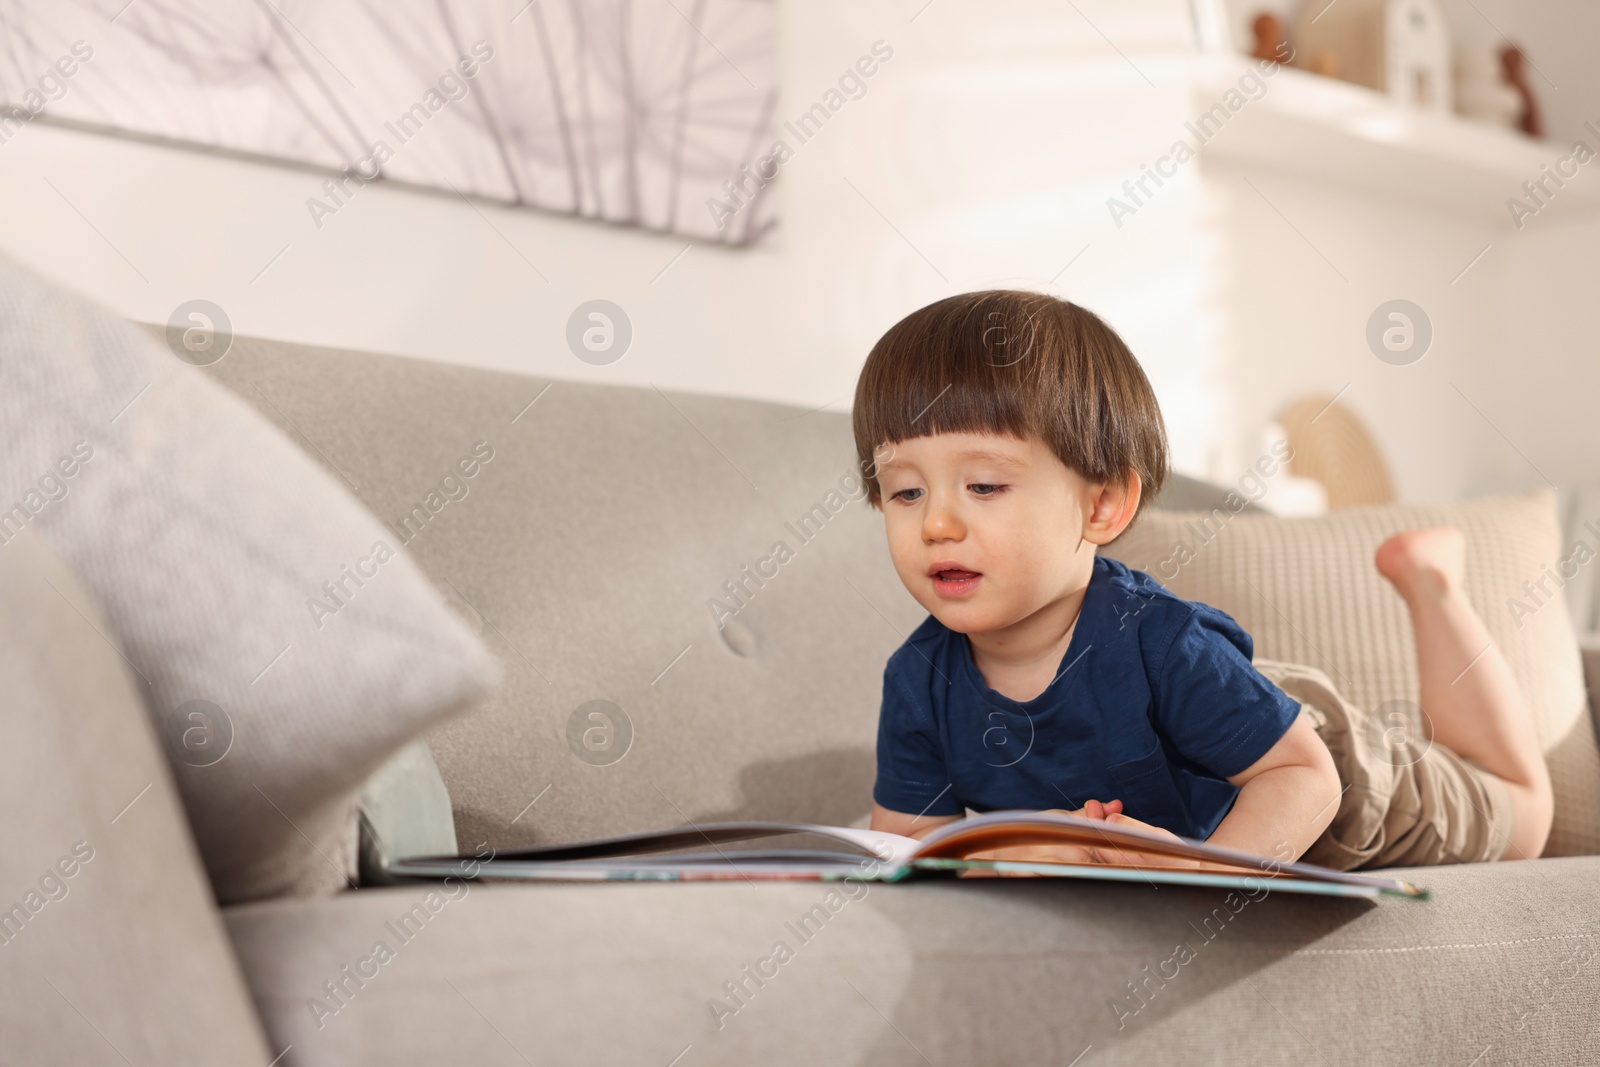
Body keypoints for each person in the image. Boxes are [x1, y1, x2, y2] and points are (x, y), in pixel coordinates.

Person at [854, 290, 1554, 872]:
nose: (936, 524)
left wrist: (1202, 869)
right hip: (1236, 739)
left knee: (1523, 818)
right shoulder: (917, 679)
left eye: (982, 484)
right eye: (906, 492)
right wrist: (1032, 850)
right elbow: (916, 847)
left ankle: (1432, 582)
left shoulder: (1160, 641)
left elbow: (1306, 779)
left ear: (1101, 505)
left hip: (1337, 770)